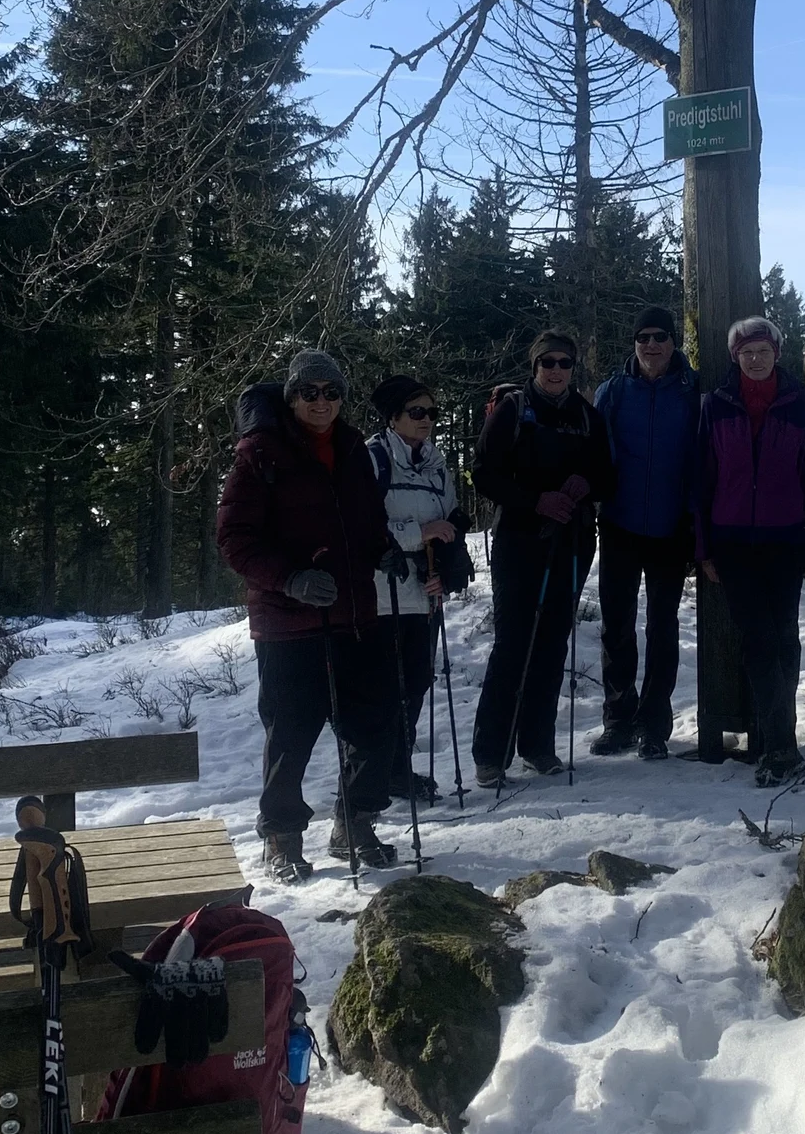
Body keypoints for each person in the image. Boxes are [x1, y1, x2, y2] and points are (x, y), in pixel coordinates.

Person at [215, 347, 400, 878]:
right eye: (309, 392)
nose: (322, 402)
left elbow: (365, 522)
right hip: (287, 623)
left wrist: (382, 549)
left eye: (332, 392)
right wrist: (290, 578)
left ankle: (355, 819)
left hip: (355, 614)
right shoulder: (260, 453)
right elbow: (234, 539)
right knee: (291, 733)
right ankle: (282, 835)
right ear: (292, 396)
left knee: (374, 722)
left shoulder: (351, 448)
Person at [469, 330, 617, 784]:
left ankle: (537, 744)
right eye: (547, 363)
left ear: (574, 369)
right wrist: (535, 500)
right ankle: (491, 754)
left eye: (564, 363)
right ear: (534, 368)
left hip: (571, 541)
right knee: (514, 645)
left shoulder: (586, 415)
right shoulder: (513, 411)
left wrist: (585, 484)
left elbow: (607, 475)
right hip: (519, 539)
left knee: (552, 645)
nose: (556, 371)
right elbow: (484, 474)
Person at [694, 315, 805, 785]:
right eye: (746, 352)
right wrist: (703, 549)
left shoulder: (795, 404)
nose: (754, 359)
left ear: (777, 354)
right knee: (759, 641)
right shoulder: (716, 405)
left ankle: (780, 741)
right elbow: (702, 480)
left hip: (787, 540)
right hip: (732, 544)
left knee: (785, 638)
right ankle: (777, 745)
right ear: (735, 357)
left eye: (762, 351)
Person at [590, 304, 700, 760]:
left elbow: (702, 456)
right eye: (643, 338)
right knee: (617, 626)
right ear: (633, 344)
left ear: (673, 342)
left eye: (660, 336)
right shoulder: (613, 392)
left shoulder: (693, 392)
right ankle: (618, 718)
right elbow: (594, 453)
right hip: (619, 523)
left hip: (671, 526)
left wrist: (695, 520)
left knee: (662, 627)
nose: (651, 345)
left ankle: (654, 724)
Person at [367, 373, 465, 804]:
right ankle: (374, 771)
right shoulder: (373, 460)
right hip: (383, 591)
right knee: (386, 686)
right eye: (416, 412)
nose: (426, 419)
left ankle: (397, 768)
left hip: (425, 592)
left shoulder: (436, 462)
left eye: (431, 412)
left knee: (418, 681)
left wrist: (447, 568)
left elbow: (454, 520)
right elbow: (362, 525)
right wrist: (418, 532)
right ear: (393, 418)